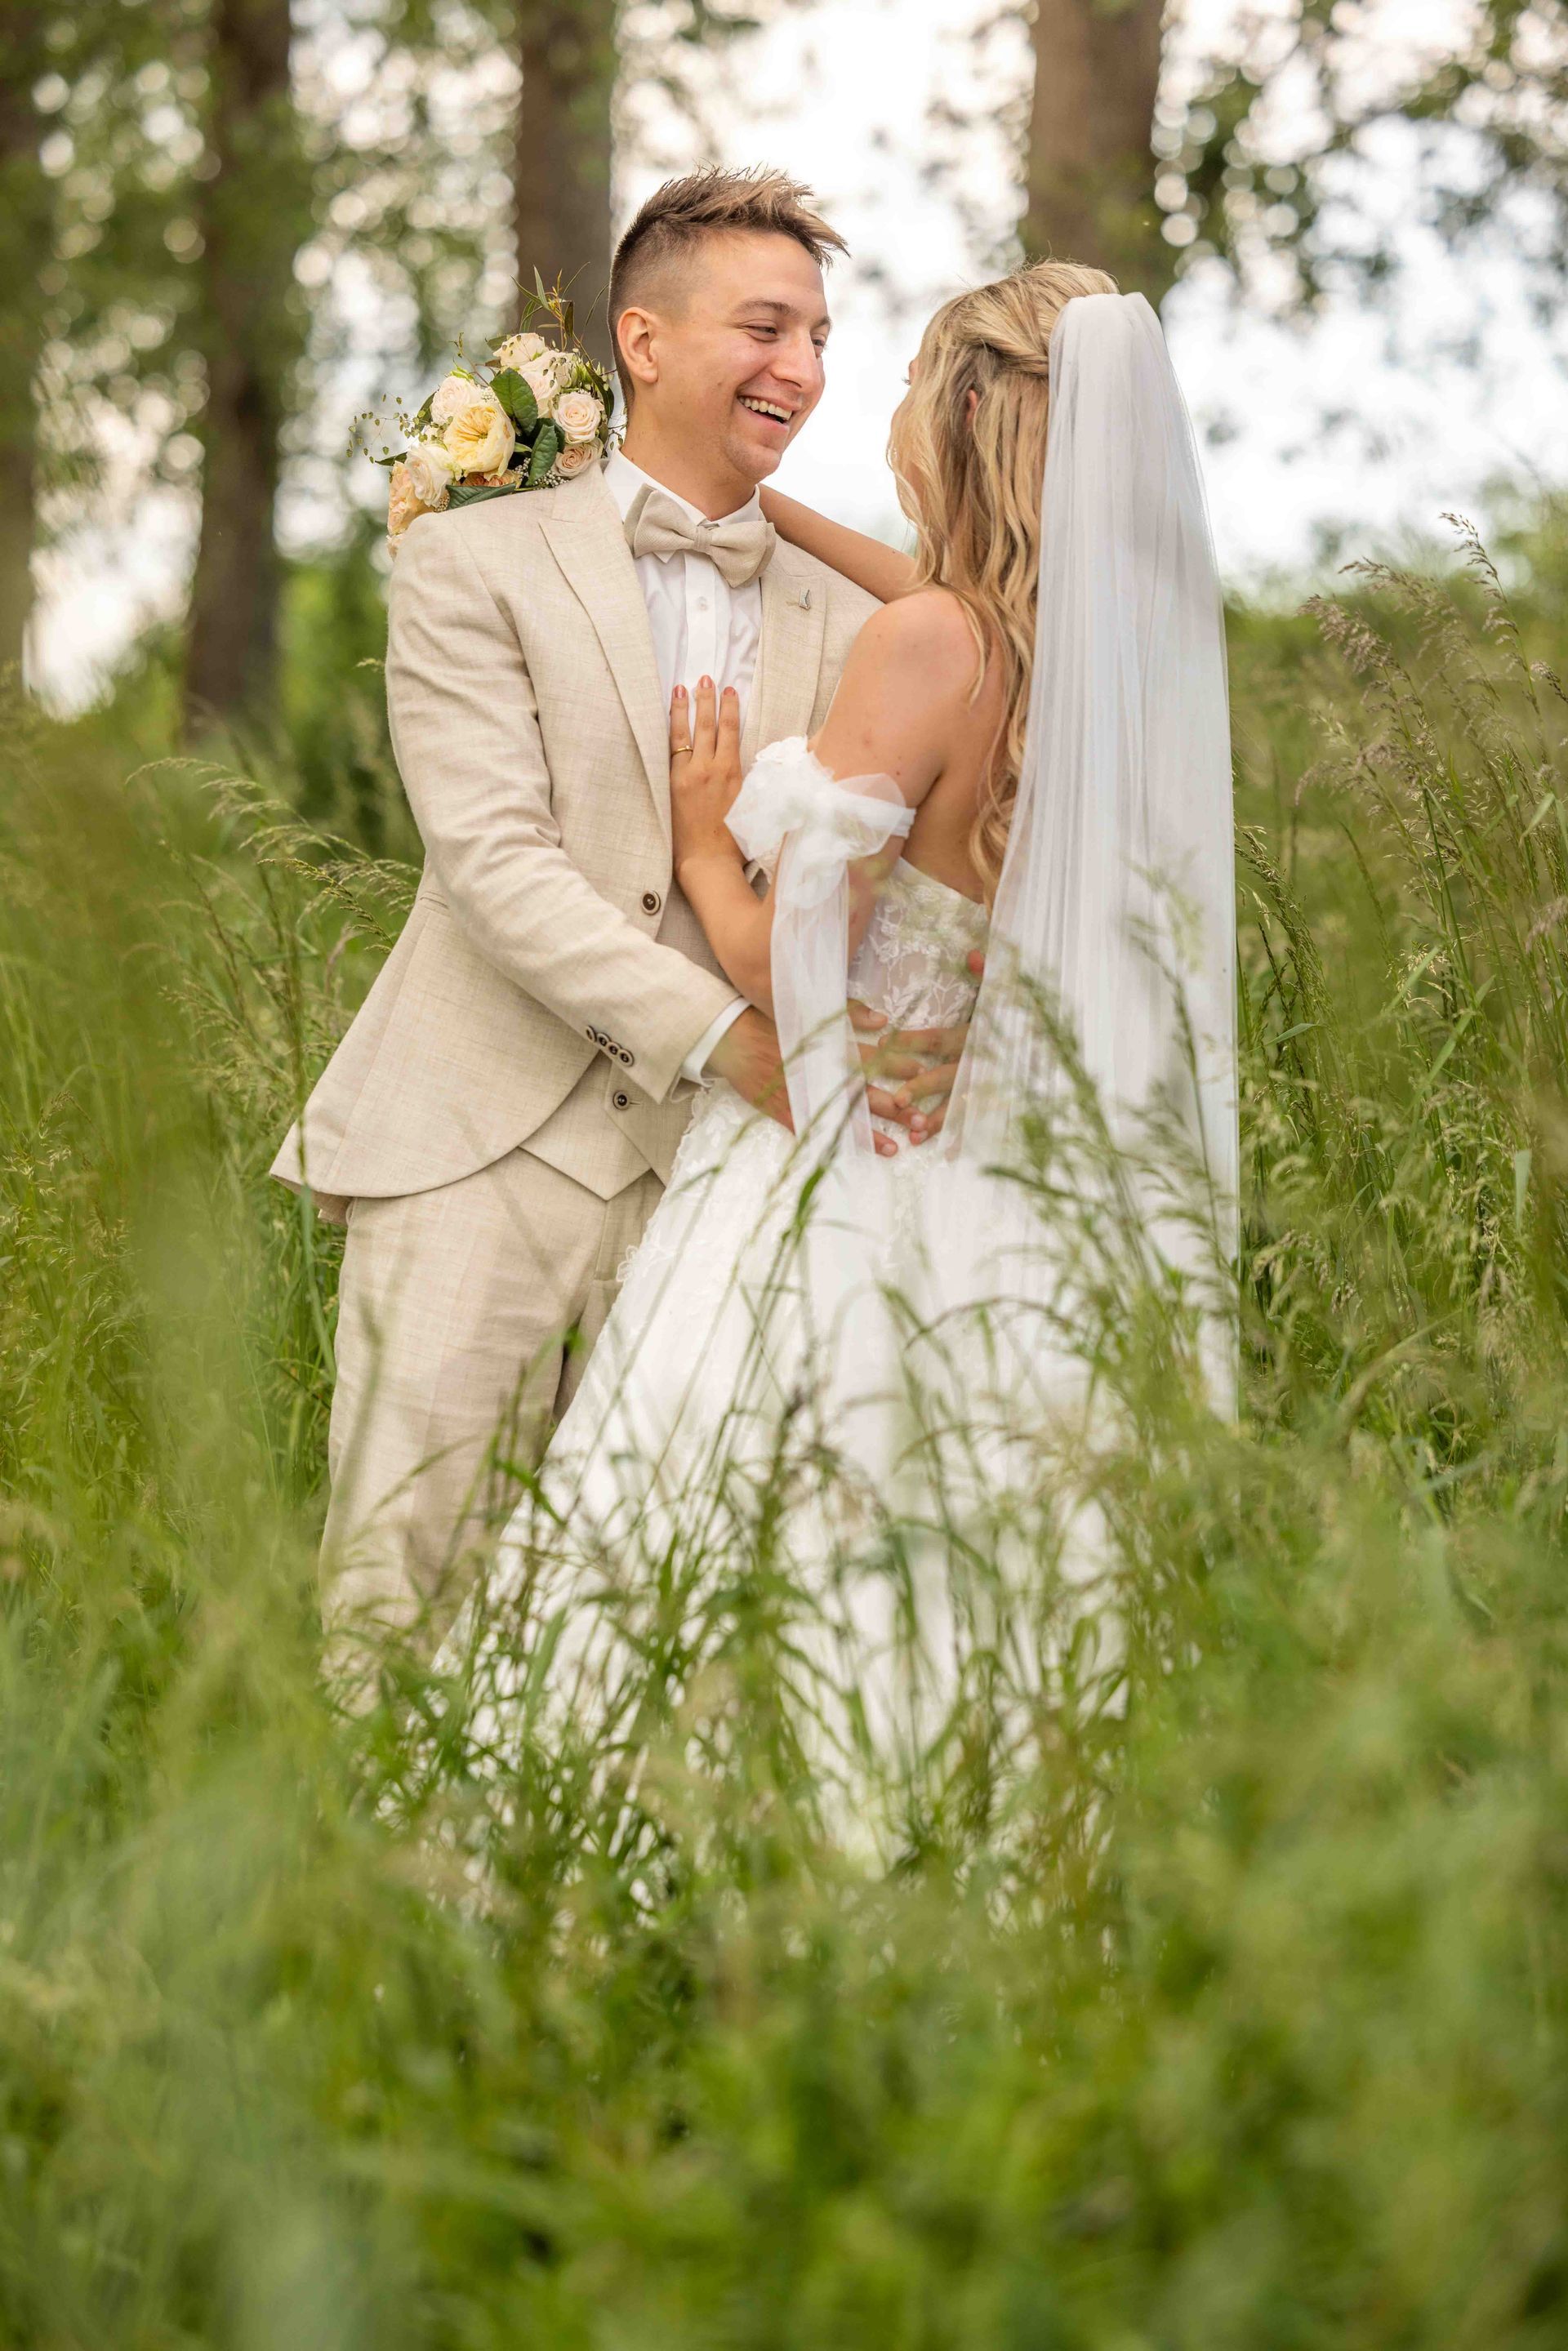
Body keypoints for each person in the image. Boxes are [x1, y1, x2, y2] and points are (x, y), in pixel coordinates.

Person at [455, 261, 1238, 1789]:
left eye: (894, 379)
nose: (863, 404)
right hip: (1013, 1187)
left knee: (721, 1526)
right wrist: (767, 516)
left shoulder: (926, 649)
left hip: (847, 1154)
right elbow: (942, 603)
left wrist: (698, 842)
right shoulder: (1095, 660)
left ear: (955, 414)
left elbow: (788, 978)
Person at [270, 167, 956, 1647]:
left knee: (647, 1625)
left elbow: (888, 860)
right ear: (643, 341)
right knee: (399, 1596)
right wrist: (734, 1041)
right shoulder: (469, 559)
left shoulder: (870, 630)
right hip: (477, 1142)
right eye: (767, 327)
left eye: (825, 337)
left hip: (721, 1187)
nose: (805, 369)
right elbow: (494, 866)